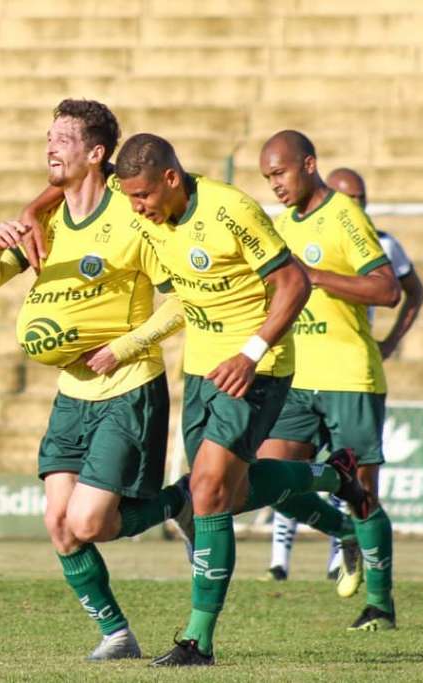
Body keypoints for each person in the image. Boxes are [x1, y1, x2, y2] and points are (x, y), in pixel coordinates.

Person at [107, 133, 368, 666]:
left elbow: (294, 283)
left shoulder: (231, 210)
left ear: (171, 179)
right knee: (228, 491)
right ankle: (334, 480)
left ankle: (198, 640)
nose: (136, 207)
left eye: (142, 197)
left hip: (257, 367)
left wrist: (250, 353)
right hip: (202, 371)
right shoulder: (146, 214)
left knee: (206, 491)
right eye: (130, 198)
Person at [0, 99, 192, 661]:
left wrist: (125, 346)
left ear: (96, 153)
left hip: (127, 386)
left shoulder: (132, 213)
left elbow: (184, 299)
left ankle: (179, 503)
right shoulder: (43, 220)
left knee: (89, 522)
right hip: (71, 394)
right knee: (59, 523)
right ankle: (116, 634)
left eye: (63, 139)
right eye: (48, 137)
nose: (50, 147)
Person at [259, 134, 402, 631]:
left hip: (348, 376)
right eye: (267, 178)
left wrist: (315, 276)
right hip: (297, 377)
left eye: (280, 173)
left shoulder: (345, 216)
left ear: (309, 164)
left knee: (364, 494)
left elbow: (389, 289)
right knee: (268, 479)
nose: (274, 185)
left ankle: (380, 607)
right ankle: (340, 529)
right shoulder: (278, 227)